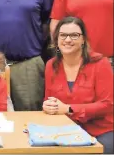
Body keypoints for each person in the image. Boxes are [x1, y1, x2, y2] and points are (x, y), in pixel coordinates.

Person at [43, 16, 113, 154]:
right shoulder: (51, 65)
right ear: (56, 39)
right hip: (65, 130)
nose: (68, 40)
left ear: (83, 40)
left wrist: (69, 108)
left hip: (100, 130)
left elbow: (108, 104)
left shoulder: (100, 63)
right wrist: (48, 106)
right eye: (63, 35)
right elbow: (50, 100)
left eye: (74, 35)